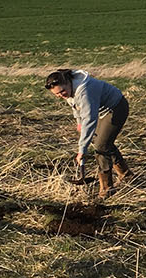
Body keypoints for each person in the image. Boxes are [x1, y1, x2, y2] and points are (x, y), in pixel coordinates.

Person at [45, 68, 131, 199]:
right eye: (56, 94)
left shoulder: (84, 90)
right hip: (102, 111)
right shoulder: (69, 90)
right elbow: (75, 106)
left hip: (116, 107)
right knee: (101, 141)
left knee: (101, 146)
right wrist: (79, 122)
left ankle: (107, 188)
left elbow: (90, 119)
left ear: (69, 82)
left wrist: (82, 150)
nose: (61, 95)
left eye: (62, 91)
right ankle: (126, 174)